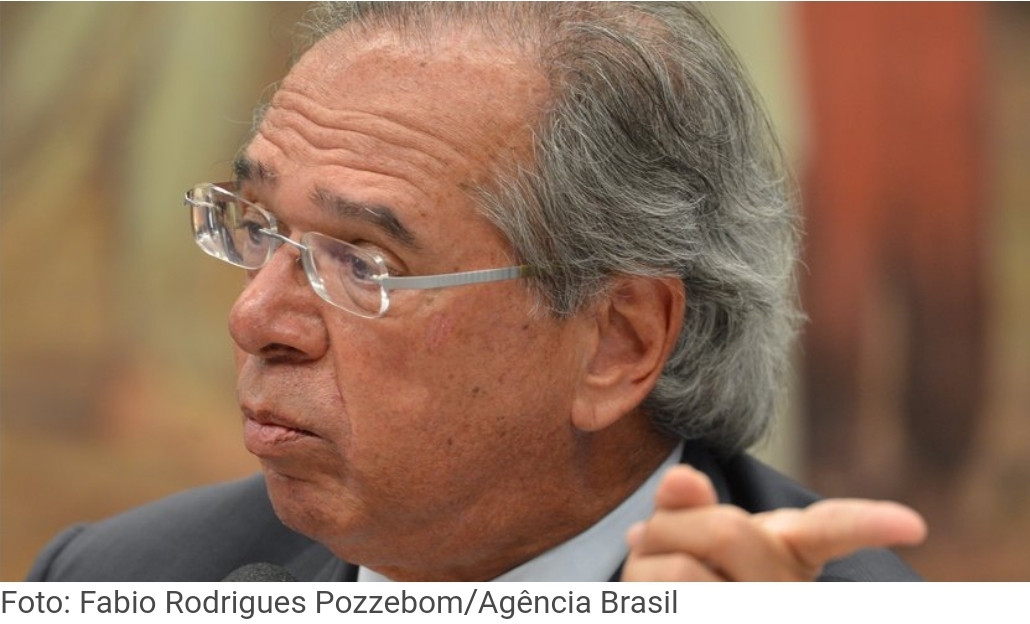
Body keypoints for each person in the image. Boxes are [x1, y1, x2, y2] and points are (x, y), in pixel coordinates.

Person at [27, 1, 925, 582]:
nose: (255, 317)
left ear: (618, 343)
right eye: (258, 226)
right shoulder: (115, 577)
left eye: (363, 263)